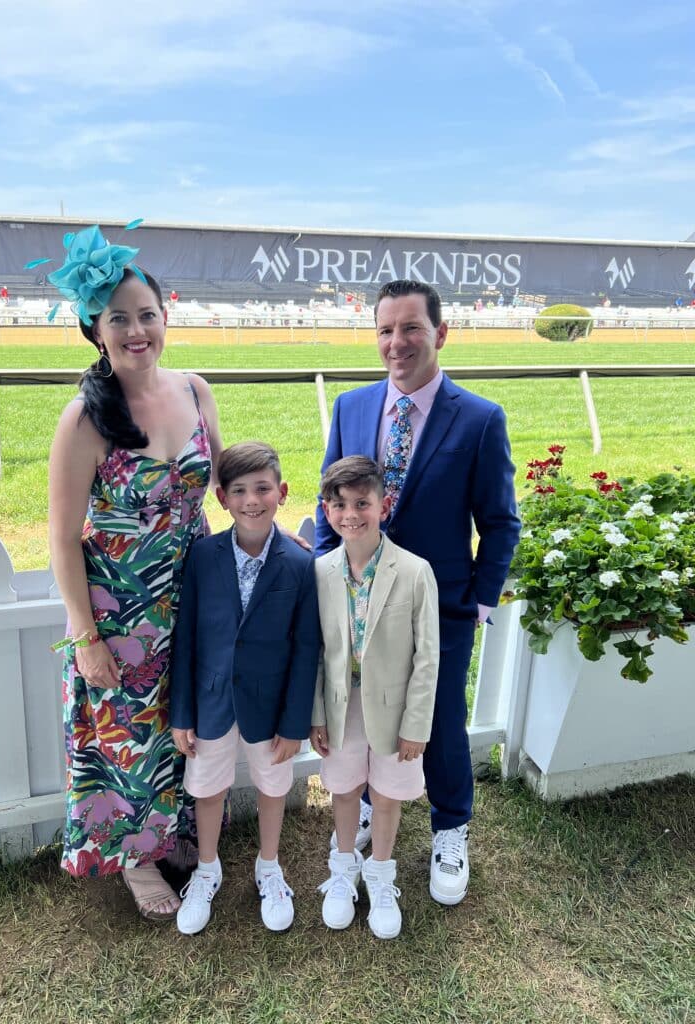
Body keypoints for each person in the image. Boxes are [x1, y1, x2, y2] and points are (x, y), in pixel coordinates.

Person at [314, 279, 520, 906]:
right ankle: (374, 810)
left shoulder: (480, 418)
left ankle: (451, 827)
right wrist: (327, 577)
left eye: (411, 329)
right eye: (385, 330)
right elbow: (330, 505)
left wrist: (477, 602)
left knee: (440, 720)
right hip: (360, 600)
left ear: (441, 333)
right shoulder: (351, 406)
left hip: (441, 605)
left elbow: (501, 521)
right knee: (365, 709)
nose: (396, 343)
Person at [46, 224, 223, 920]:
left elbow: (219, 483)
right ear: (96, 329)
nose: (136, 329)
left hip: (191, 594)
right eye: (118, 318)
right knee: (130, 736)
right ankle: (136, 859)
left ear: (165, 316)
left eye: (146, 314)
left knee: (182, 723)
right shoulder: (85, 420)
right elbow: (62, 539)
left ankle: (176, 833)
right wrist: (87, 637)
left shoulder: (196, 388)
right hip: (119, 612)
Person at [170, 442, 320, 935]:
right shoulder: (203, 556)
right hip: (211, 700)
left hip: (271, 707)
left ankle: (269, 865)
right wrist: (182, 713)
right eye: (239, 491)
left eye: (262, 489)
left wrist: (295, 722)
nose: (252, 500)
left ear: (282, 492)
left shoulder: (300, 564)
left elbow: (305, 650)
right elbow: (187, 637)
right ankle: (207, 869)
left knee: (272, 786)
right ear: (222, 497)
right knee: (207, 788)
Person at [312, 456, 439, 939]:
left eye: (362, 503)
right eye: (339, 505)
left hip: (394, 712)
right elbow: (317, 653)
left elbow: (428, 657)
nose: (351, 514)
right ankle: (344, 867)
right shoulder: (321, 572)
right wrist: (317, 713)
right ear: (327, 511)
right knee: (344, 789)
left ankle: (381, 873)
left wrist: (416, 725)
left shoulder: (413, 571)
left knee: (386, 795)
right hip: (342, 710)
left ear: (382, 505)